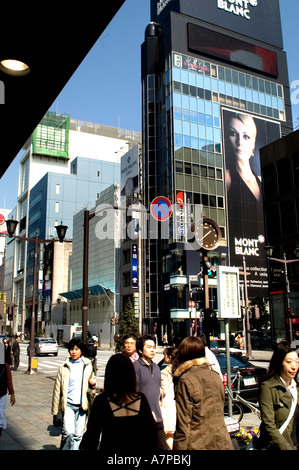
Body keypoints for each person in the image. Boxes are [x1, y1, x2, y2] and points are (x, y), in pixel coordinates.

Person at [80, 353, 157, 451]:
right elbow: (151, 434)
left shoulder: (102, 400)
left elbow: (92, 436)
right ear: (131, 374)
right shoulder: (140, 398)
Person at [173, 336, 233, 450]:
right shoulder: (215, 376)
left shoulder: (185, 380)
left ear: (184, 354)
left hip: (198, 442)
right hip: (222, 439)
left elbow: (183, 423)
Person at [51, 338, 96, 450]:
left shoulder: (87, 365)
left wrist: (93, 383)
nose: (74, 352)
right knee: (68, 433)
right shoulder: (64, 367)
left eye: (76, 349)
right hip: (68, 404)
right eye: (71, 349)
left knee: (78, 436)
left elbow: (92, 380)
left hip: (82, 405)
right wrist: (55, 410)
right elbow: (57, 389)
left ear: (81, 351)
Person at [258, 341, 299, 450]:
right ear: (280, 363)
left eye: (297, 362)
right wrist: (286, 447)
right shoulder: (268, 387)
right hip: (279, 446)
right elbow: (269, 425)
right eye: (289, 362)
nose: (294, 367)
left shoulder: (296, 388)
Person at [134, 334, 168, 450]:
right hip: (142, 418)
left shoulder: (157, 367)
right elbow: (134, 393)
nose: (152, 349)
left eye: (153, 347)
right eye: (149, 347)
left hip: (158, 416)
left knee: (162, 447)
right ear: (140, 350)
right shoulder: (136, 367)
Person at [225, 112, 260, 202]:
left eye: (246, 136)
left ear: (253, 143)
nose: (240, 141)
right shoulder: (226, 178)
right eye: (233, 133)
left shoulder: (261, 180)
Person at [160, 347, 177, 449]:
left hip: (167, 403)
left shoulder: (165, 372)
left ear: (169, 357)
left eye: (165, 356)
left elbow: (163, 390)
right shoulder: (180, 369)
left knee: (168, 434)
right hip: (176, 402)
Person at [0, 342, 16, 437]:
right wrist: (12, 394)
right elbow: (9, 379)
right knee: (1, 413)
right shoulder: (5, 364)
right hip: (1, 392)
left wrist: (12, 393)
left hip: (2, 392)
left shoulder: (5, 365)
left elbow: (9, 379)